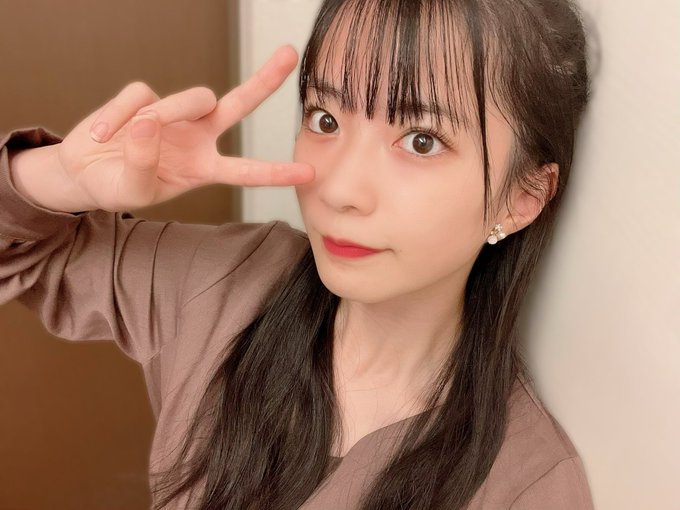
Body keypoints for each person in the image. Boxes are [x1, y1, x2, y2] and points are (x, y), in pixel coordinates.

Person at [0, 0, 596, 508]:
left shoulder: (526, 483)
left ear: (523, 196)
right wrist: (64, 179)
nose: (339, 190)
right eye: (325, 118)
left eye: (421, 140)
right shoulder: (228, 285)